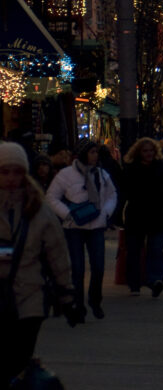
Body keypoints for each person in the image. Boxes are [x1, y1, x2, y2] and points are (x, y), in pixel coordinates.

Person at [0, 143, 82, 385]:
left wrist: (67, 296)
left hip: (28, 300)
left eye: (17, 172)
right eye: (5, 172)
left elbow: (57, 256)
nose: (11, 178)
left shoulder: (39, 211)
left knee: (17, 364)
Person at [45, 142, 117, 321]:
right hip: (74, 227)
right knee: (77, 268)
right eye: (92, 152)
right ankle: (78, 304)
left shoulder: (101, 174)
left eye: (96, 152)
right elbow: (52, 197)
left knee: (98, 266)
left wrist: (106, 212)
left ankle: (95, 300)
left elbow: (112, 194)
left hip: (96, 225)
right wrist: (68, 214)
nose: (95, 156)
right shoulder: (66, 175)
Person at [121, 138, 163, 297]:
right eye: (145, 151)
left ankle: (155, 280)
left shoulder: (161, 168)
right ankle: (134, 284)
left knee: (156, 250)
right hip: (136, 216)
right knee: (134, 251)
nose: (149, 154)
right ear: (139, 152)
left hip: (157, 216)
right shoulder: (131, 169)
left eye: (151, 151)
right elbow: (124, 193)